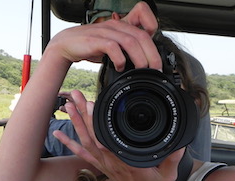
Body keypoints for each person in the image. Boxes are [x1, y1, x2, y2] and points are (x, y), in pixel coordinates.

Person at [0, 2, 235, 181]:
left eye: (160, 99)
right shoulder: (109, 169)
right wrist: (57, 53)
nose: (142, 116)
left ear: (191, 108)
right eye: (126, 104)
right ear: (105, 115)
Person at [43, 0, 211, 161]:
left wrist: (57, 50)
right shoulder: (182, 62)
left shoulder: (119, 62)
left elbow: (105, 128)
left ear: (114, 19)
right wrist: (89, 111)